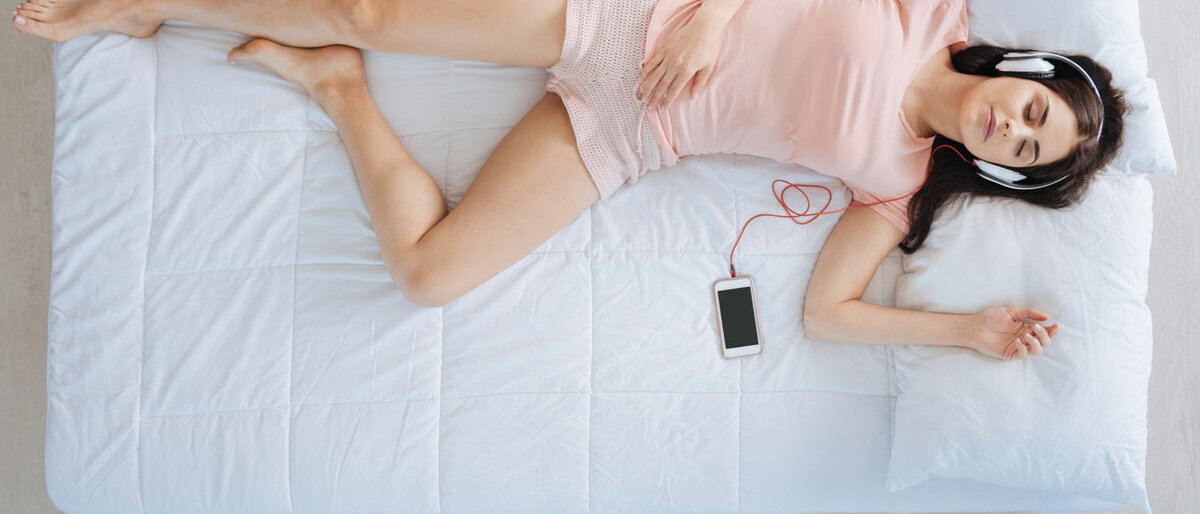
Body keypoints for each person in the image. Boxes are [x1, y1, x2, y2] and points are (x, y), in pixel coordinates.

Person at [13, 0, 1126, 361]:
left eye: (1028, 150)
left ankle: (338, 89)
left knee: (428, 275)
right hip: (636, 17)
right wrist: (716, 14)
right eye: (1036, 109)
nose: (1015, 126)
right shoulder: (930, 9)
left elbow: (826, 314)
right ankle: (145, 2)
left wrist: (964, 331)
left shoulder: (901, 184)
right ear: (1026, 74)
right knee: (373, 7)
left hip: (633, 130)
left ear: (1004, 169)